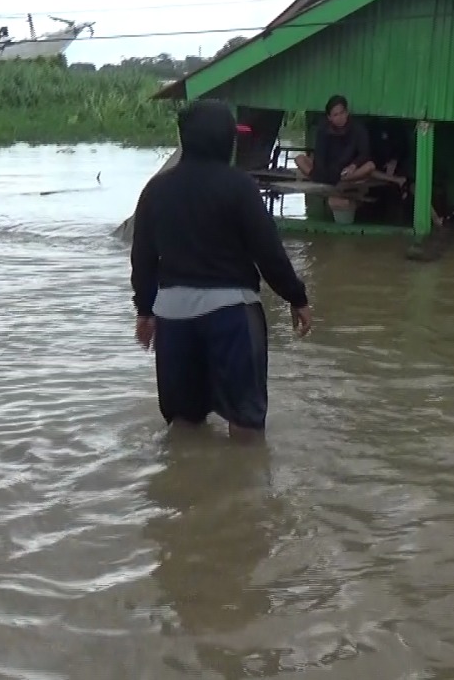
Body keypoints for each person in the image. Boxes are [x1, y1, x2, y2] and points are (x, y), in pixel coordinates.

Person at [131, 98, 314, 439]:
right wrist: (297, 297)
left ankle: (184, 487)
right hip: (231, 314)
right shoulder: (239, 187)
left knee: (183, 427)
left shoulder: (156, 190)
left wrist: (145, 310)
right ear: (227, 141)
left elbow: (142, 258)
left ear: (185, 137)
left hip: (173, 316)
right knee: (246, 427)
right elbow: (268, 252)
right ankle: (243, 492)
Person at [294, 95, 375, 186]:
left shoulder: (357, 129)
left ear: (347, 113)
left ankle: (341, 180)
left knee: (370, 166)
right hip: (327, 169)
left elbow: (364, 153)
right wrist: (320, 171)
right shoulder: (324, 130)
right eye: (336, 115)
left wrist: (353, 166)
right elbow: (319, 155)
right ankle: (322, 179)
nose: (340, 117)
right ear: (329, 117)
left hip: (345, 171)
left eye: (342, 113)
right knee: (299, 159)